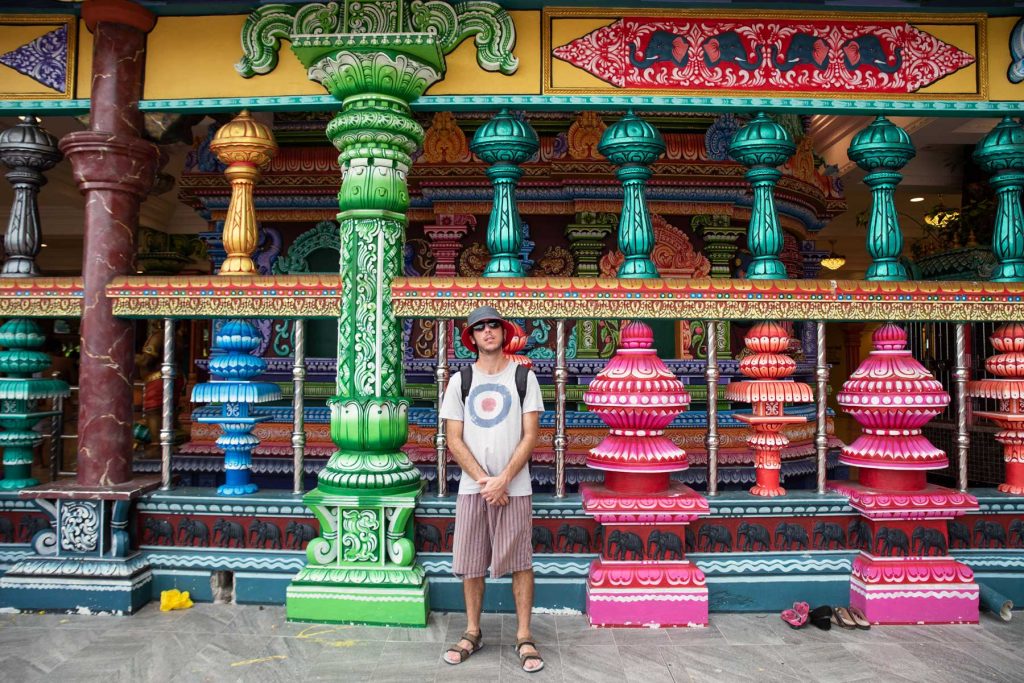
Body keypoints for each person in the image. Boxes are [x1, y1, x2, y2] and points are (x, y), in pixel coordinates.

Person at [439, 305, 545, 673]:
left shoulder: (522, 378)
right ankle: (472, 631)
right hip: (474, 488)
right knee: (470, 562)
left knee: (521, 561)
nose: (487, 332)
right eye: (480, 328)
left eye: (493, 326)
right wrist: (487, 481)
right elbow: (454, 439)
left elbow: (531, 434)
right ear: (471, 337)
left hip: (515, 487)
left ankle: (525, 635)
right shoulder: (460, 381)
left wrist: (504, 479)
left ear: (504, 333)